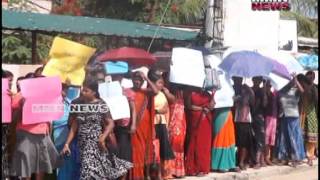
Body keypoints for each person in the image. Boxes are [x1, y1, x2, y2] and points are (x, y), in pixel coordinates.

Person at [62, 79, 132, 179]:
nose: (82, 92)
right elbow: (74, 125)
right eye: (82, 89)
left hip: (96, 143)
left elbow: (111, 123)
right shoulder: (78, 104)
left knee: (89, 171)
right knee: (92, 171)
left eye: (86, 91)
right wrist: (67, 143)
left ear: (94, 92)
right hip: (83, 143)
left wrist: (103, 137)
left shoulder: (101, 104)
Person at [10, 75, 62, 180]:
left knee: (40, 164)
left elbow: (55, 110)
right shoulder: (21, 95)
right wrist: (23, 104)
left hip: (42, 133)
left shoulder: (50, 94)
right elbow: (14, 115)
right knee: (26, 165)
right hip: (26, 134)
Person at [129, 71, 158, 180]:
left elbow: (155, 91)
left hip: (144, 124)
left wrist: (146, 78)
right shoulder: (128, 91)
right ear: (132, 80)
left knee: (142, 148)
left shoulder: (145, 91)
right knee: (134, 149)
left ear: (142, 81)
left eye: (139, 80)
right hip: (132, 124)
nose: (137, 82)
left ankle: (141, 175)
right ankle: (134, 175)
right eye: (135, 79)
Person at [148, 70, 175, 179]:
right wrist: (158, 111)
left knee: (163, 149)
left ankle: (163, 173)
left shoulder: (162, 94)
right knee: (154, 150)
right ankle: (151, 174)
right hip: (152, 124)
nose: (162, 85)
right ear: (153, 83)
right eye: (159, 83)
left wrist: (167, 92)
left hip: (162, 124)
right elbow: (150, 110)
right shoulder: (150, 94)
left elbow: (171, 102)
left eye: (162, 83)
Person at [111, 74, 137, 180]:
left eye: (118, 78)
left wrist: (133, 124)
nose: (116, 79)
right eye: (114, 78)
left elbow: (133, 109)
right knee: (114, 153)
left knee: (124, 153)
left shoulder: (127, 92)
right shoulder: (108, 92)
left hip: (124, 126)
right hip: (111, 127)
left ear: (121, 79)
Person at [276, 74, 305, 167]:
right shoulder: (282, 90)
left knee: (294, 138)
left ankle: (296, 158)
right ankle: (285, 157)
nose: (290, 82)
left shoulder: (295, 90)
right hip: (284, 115)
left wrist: (296, 81)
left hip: (293, 116)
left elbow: (302, 92)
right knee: (284, 138)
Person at [184, 86, 214, 176]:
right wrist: (201, 109)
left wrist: (213, 95)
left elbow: (212, 106)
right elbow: (188, 106)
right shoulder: (191, 92)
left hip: (206, 120)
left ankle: (202, 168)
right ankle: (192, 168)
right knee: (194, 142)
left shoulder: (208, 94)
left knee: (204, 144)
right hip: (194, 119)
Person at [52, 84, 81, 180]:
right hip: (60, 137)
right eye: (62, 88)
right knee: (62, 164)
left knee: (73, 164)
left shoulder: (71, 102)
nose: (65, 90)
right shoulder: (52, 104)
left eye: (66, 88)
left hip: (73, 135)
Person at [232, 76, 255, 170]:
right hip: (235, 119)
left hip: (245, 120)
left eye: (240, 79)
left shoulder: (246, 91)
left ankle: (241, 162)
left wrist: (249, 89)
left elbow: (252, 102)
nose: (239, 80)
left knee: (244, 143)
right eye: (237, 79)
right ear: (234, 79)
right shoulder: (232, 89)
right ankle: (237, 161)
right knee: (236, 143)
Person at [297, 74, 318, 166]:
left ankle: (310, 157)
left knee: (311, 137)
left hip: (311, 114)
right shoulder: (302, 88)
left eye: (311, 77)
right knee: (302, 136)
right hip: (302, 114)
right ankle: (303, 155)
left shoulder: (314, 89)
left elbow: (316, 101)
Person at [167, 84, 186, 178]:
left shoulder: (183, 92)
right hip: (172, 124)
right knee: (173, 144)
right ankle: (171, 170)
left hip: (181, 124)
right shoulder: (168, 92)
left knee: (179, 145)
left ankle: (178, 171)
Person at [251, 77, 268, 169]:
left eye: (259, 80)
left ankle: (258, 161)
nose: (257, 81)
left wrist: (264, 91)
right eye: (255, 79)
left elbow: (265, 104)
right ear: (253, 80)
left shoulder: (262, 91)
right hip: (251, 117)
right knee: (254, 139)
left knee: (260, 139)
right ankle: (257, 160)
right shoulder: (250, 90)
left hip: (259, 117)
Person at [2, 70, 14, 180]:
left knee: (4, 154)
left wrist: (12, 98)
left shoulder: (12, 95)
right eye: (9, 80)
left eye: (11, 81)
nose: (10, 83)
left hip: (5, 128)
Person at [264, 80, 278, 166]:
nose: (269, 87)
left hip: (274, 117)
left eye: (270, 86)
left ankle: (268, 157)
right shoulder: (265, 94)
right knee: (266, 137)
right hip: (268, 117)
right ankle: (266, 157)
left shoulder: (274, 94)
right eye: (267, 86)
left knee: (271, 139)